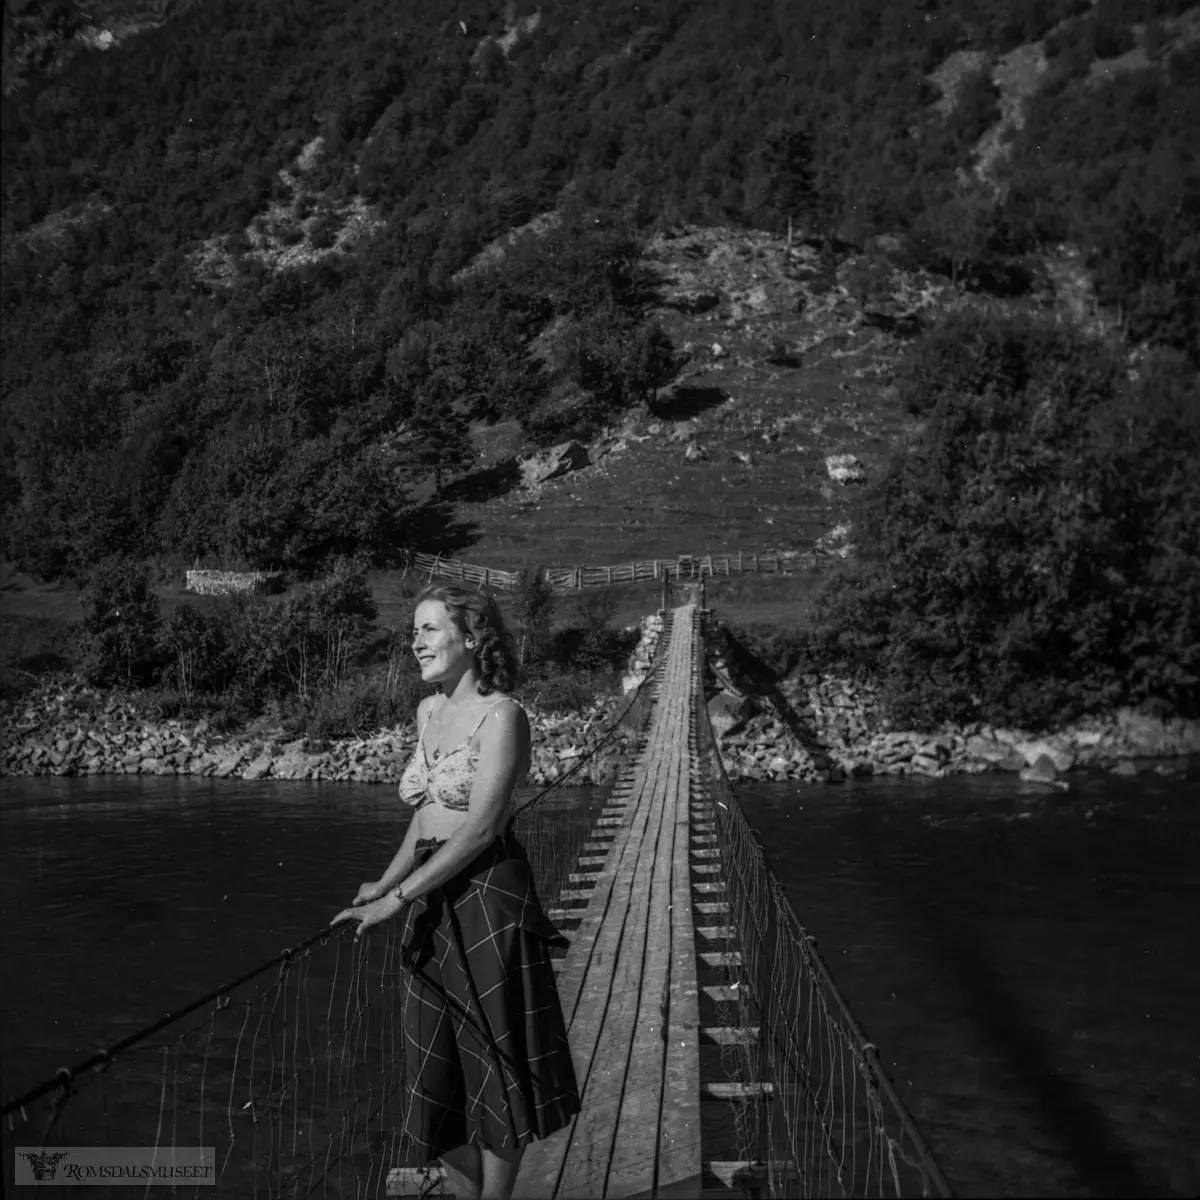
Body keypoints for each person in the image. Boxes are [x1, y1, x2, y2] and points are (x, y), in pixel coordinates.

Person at [332, 583, 580, 1200]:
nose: (416, 641)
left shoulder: (504, 715)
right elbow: (427, 815)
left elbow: (480, 828)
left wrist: (399, 900)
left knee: (495, 1069)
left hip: (486, 897)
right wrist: (384, 883)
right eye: (413, 630)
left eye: (431, 629)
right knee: (433, 1070)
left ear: (472, 638)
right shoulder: (427, 713)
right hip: (429, 894)